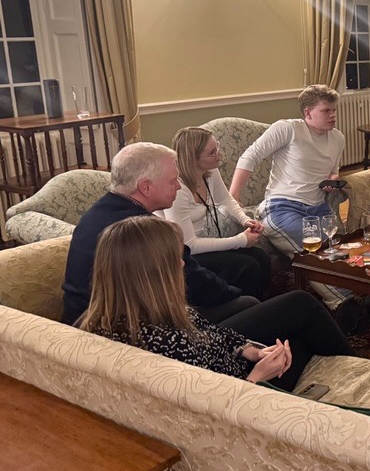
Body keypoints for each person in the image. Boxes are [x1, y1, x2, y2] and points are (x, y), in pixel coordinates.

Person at [77, 216, 352, 391]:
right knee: (303, 339)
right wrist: (257, 376)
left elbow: (212, 332)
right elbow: (210, 409)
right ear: (153, 273)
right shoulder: (167, 343)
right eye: (175, 258)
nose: (182, 264)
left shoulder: (127, 312)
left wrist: (250, 351)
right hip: (243, 390)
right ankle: (357, 375)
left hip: (235, 365)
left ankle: (350, 369)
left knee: (298, 322)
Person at [229, 85, 370, 329]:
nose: (333, 115)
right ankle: (345, 304)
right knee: (315, 252)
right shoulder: (288, 129)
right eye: (326, 111)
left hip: (318, 209)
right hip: (281, 208)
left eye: (334, 110)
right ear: (308, 113)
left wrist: (332, 180)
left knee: (338, 253)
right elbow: (250, 156)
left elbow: (333, 171)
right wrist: (233, 195)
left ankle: (365, 296)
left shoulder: (338, 138)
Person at [62, 142, 256, 327]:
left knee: (244, 263)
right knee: (249, 304)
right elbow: (193, 280)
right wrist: (234, 295)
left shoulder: (99, 211)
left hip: (83, 316)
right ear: (145, 187)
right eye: (173, 180)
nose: (178, 186)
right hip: (117, 326)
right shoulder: (143, 229)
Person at [161, 127, 272, 299]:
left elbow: (225, 199)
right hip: (184, 256)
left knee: (261, 257)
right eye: (212, 152)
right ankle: (239, 306)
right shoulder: (178, 189)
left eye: (217, 147)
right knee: (247, 266)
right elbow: (189, 245)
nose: (219, 154)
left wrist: (245, 220)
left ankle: (257, 304)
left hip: (200, 247)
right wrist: (240, 240)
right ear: (193, 158)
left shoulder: (210, 171)